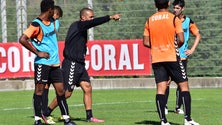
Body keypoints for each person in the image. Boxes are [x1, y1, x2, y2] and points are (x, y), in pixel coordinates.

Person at [43, 7, 121, 123]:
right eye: (90, 17)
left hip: (79, 64)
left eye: (93, 17)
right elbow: (94, 23)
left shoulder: (81, 28)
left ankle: (89, 117)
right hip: (71, 64)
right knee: (66, 93)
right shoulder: (79, 25)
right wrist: (109, 17)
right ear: (83, 18)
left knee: (87, 87)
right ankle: (46, 112)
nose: (92, 19)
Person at [19, 0, 76, 125]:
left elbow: (55, 22)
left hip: (55, 63)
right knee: (39, 91)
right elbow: (22, 39)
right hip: (42, 63)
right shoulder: (36, 24)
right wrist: (37, 52)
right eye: (53, 9)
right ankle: (37, 119)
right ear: (50, 9)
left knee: (61, 91)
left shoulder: (53, 22)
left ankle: (66, 119)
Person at [143, 0, 199, 125]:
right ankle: (188, 119)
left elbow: (146, 42)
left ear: (155, 5)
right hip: (172, 57)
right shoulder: (174, 18)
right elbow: (181, 39)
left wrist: (158, 46)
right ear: (168, 4)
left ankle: (163, 121)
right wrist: (171, 47)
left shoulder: (150, 20)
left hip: (157, 58)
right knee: (184, 86)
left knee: (161, 89)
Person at [164, 0, 201, 115]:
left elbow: (198, 35)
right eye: (174, 8)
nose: (175, 10)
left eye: (177, 8)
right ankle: (164, 106)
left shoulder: (188, 21)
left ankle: (177, 107)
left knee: (182, 83)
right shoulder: (169, 19)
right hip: (170, 55)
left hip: (182, 57)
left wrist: (192, 49)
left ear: (182, 9)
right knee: (167, 82)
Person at [41, 5, 63, 120]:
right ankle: (43, 112)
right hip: (45, 60)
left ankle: (45, 112)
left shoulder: (54, 23)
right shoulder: (44, 22)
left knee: (52, 87)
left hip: (53, 61)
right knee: (44, 87)